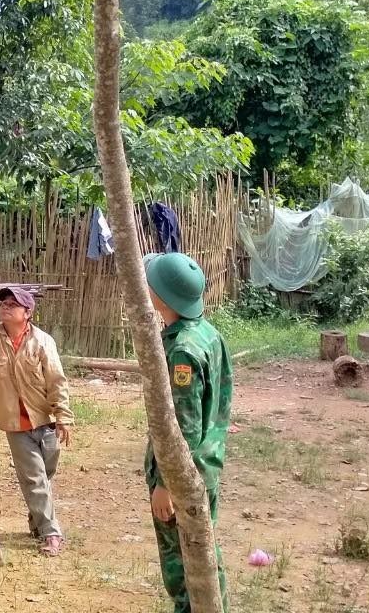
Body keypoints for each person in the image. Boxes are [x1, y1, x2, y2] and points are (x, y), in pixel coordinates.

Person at [143, 252, 233, 613]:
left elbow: (185, 425)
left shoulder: (183, 351)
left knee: (184, 567)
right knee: (204, 553)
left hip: (183, 476)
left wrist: (166, 483)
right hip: (206, 466)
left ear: (161, 295)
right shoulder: (207, 334)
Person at [0, 286, 73, 557]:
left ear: (27, 313)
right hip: (16, 425)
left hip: (45, 420)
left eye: (13, 304)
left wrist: (63, 417)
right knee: (34, 478)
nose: (5, 307)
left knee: (44, 476)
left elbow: (57, 381)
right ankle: (52, 533)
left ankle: (38, 520)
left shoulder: (43, 342)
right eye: (3, 303)